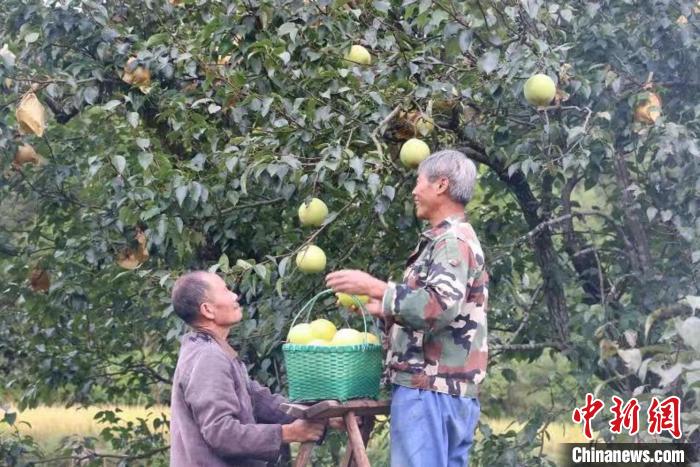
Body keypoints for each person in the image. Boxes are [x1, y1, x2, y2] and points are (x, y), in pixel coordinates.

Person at [326, 150, 489, 467]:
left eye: (419, 182)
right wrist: (383, 307)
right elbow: (442, 305)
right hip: (447, 390)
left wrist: (374, 286)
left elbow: (439, 306)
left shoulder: (451, 241)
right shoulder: (453, 239)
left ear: (441, 185)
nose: (414, 191)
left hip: (429, 388)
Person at [169, 271, 325, 467]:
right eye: (225, 291)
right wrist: (289, 433)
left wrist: (320, 415)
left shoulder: (215, 350)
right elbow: (222, 433)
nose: (235, 295)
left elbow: (258, 399)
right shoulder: (207, 357)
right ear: (207, 310)